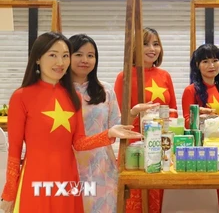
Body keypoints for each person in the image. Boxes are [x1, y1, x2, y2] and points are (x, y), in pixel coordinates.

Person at [0, 32, 141, 213]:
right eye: (53, 55)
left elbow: (79, 142)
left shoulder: (73, 97)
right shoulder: (21, 97)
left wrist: (109, 134)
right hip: (36, 178)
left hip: (69, 177)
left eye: (65, 56)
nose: (60, 62)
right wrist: (10, 192)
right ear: (37, 58)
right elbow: (14, 150)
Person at [69, 34, 156, 213]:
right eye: (78, 54)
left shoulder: (105, 90)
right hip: (69, 164)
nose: (85, 60)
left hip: (103, 166)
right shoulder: (58, 92)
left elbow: (117, 125)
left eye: (91, 55)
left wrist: (133, 112)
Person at [114, 27, 178, 213]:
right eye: (145, 44)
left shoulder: (165, 76)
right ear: (134, 48)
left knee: (159, 200)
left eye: (156, 44)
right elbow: (119, 118)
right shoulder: (124, 76)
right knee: (134, 202)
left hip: (163, 147)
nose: (152, 48)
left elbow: (173, 112)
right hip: (134, 148)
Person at [182, 44, 219, 213]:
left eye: (215, 60)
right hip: (201, 152)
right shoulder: (190, 90)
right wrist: (200, 116)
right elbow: (186, 122)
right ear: (197, 65)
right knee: (204, 198)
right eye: (205, 61)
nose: (211, 65)